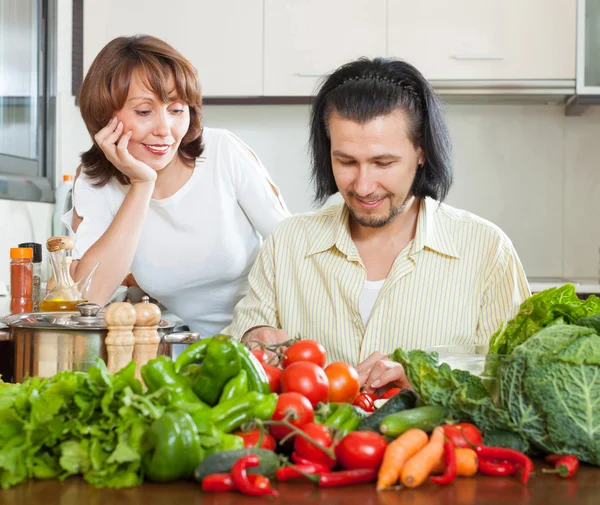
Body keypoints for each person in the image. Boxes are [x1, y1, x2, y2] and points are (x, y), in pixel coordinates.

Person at [224, 57, 530, 393]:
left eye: (383, 163)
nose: (364, 185)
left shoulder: (487, 251)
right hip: (316, 445)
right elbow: (246, 338)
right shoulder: (287, 243)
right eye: (346, 161)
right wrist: (255, 338)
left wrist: (424, 380)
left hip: (439, 445)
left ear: (422, 152)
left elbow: (516, 383)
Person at [63, 35, 290, 337]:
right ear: (105, 115)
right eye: (144, 112)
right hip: (199, 353)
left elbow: (294, 249)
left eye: (177, 109)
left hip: (270, 337)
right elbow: (89, 297)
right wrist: (142, 185)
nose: (164, 130)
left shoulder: (222, 151)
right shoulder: (95, 182)